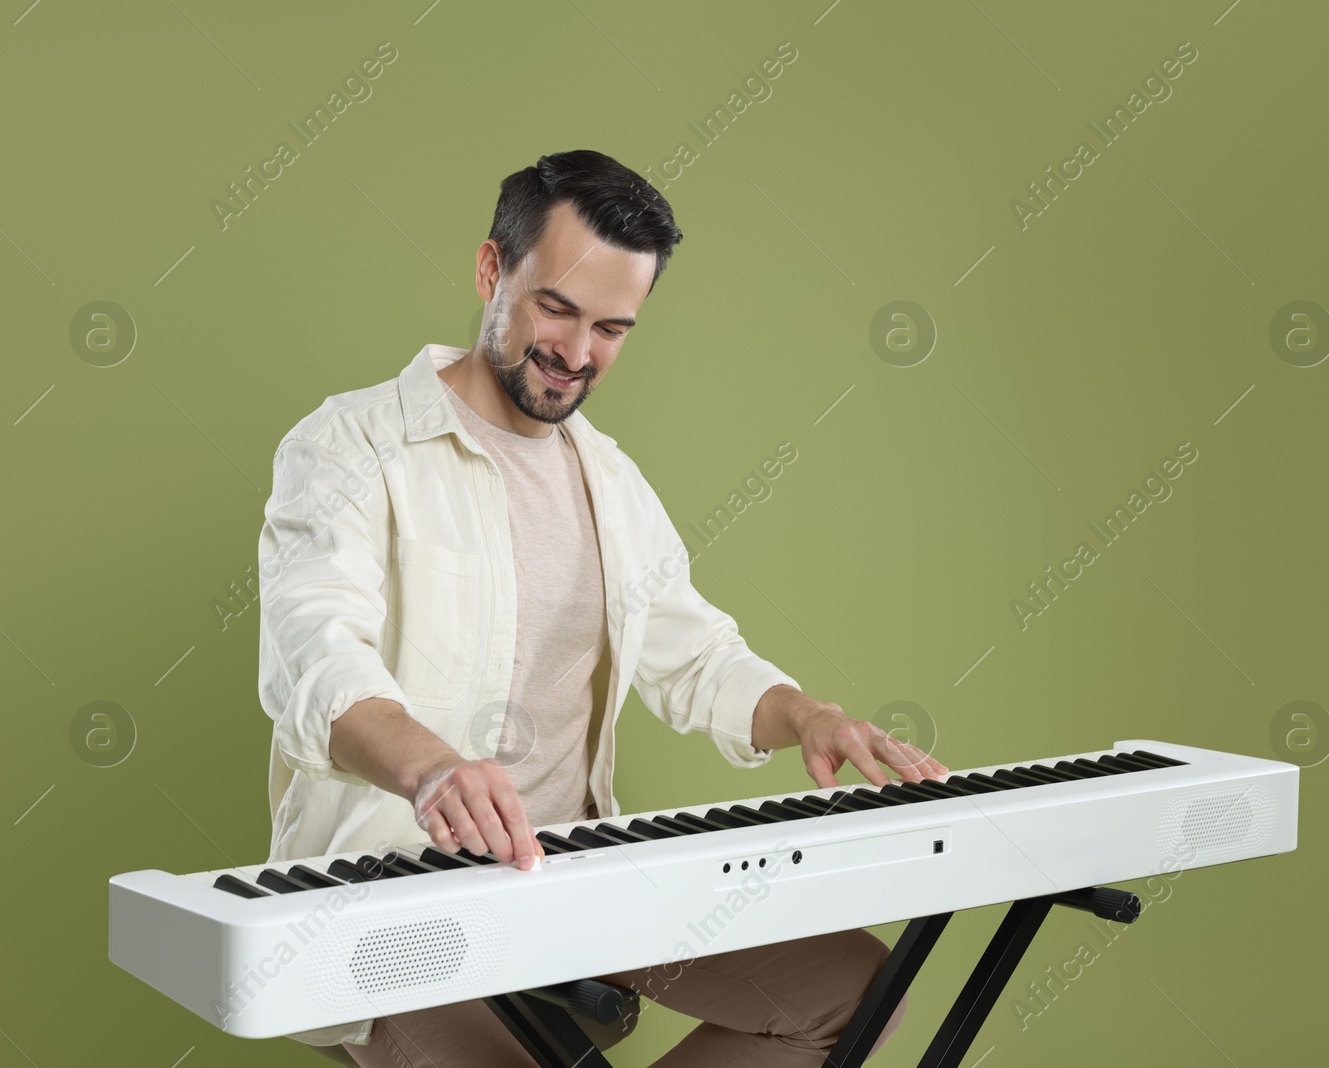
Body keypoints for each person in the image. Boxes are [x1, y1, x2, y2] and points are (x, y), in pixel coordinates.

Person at [256, 149, 948, 1066]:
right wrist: (432, 770)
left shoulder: (609, 479)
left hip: (575, 881)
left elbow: (695, 652)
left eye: (613, 329)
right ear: (491, 271)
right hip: (397, 902)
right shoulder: (349, 445)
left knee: (858, 992)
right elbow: (315, 655)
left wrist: (805, 715)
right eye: (558, 309)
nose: (578, 356)